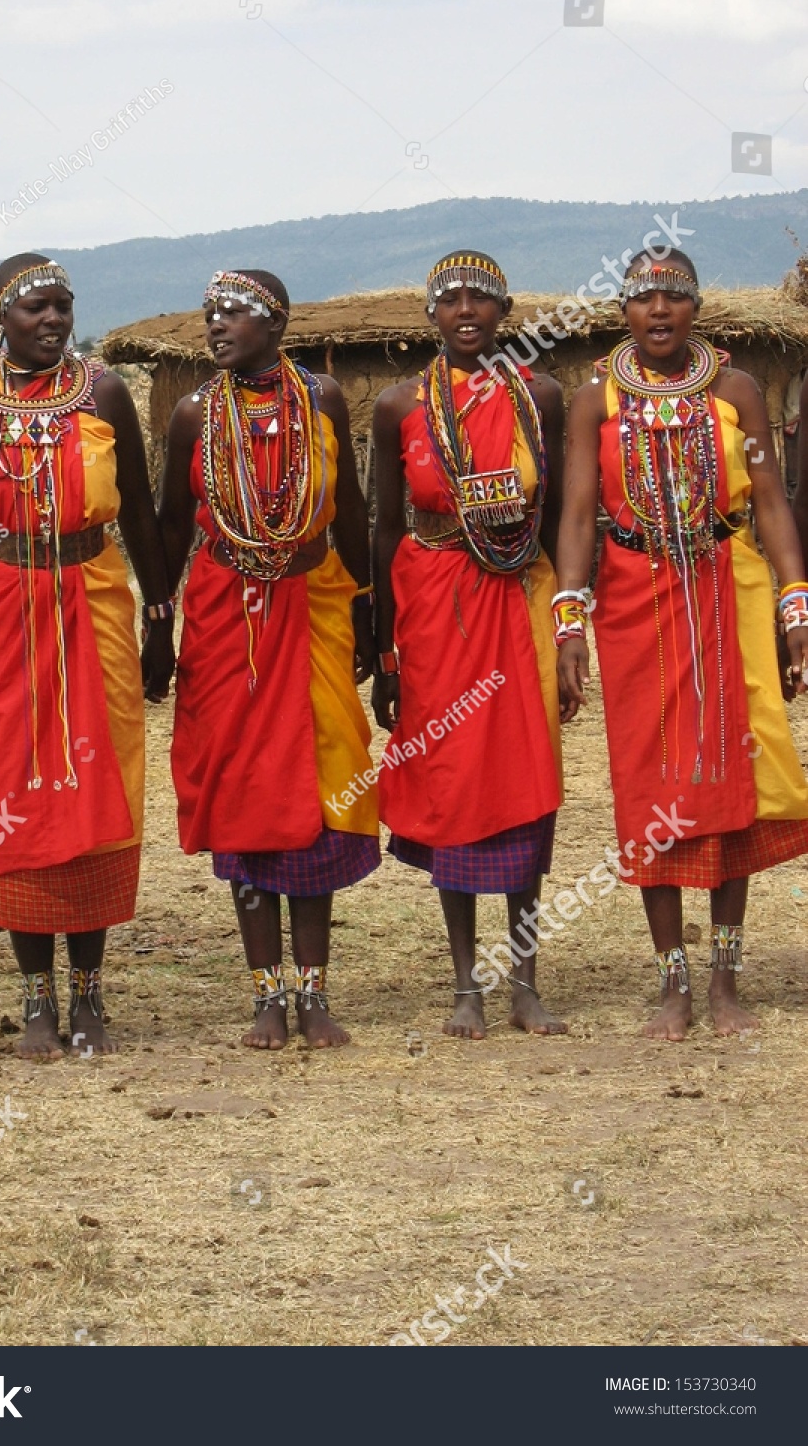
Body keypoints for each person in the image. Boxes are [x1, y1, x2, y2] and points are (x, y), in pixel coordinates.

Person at [0, 254, 173, 1059]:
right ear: (1, 316)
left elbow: (139, 515)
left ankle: (90, 993)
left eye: (63, 306)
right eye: (36, 309)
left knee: (95, 782)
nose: (53, 320)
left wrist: (162, 622)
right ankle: (35, 1000)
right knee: (12, 788)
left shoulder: (105, 394)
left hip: (92, 597)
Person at [558, 248, 808, 1040]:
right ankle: (671, 983)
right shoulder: (592, 399)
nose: (657, 310)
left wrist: (795, 599)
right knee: (648, 785)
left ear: (695, 308)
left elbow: (768, 500)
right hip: (634, 601)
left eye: (672, 296)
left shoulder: (736, 391)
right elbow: (572, 515)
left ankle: (725, 979)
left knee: (731, 775)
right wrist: (569, 619)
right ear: (621, 311)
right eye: (641, 298)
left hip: (725, 589)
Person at [156, 269, 378, 1049]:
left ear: (276, 324)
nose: (215, 326)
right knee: (246, 802)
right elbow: (167, 528)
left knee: (317, 800)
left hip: (311, 603)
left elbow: (348, 504)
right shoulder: (191, 416)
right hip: (224, 620)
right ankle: (264, 998)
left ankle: (314, 994)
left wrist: (371, 604)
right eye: (209, 314)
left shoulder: (319, 401)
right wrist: (157, 625)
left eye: (234, 314)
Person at [372, 250, 567, 1039]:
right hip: (432, 604)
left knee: (522, 774)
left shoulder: (539, 396)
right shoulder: (399, 405)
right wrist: (382, 650)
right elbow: (385, 525)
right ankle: (465, 983)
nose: (463, 311)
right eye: (448, 299)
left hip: (518, 601)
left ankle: (523, 979)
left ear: (505, 311)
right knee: (450, 781)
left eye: (479, 300)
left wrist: (567, 622)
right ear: (430, 313)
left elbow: (554, 515)